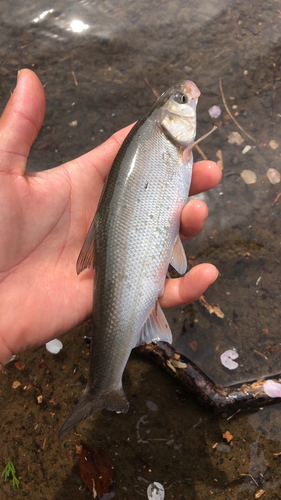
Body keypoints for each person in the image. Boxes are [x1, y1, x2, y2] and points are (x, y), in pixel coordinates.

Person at [0, 69, 222, 369]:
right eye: (183, 100)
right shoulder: (166, 141)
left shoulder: (163, 140)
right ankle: (106, 383)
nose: (189, 100)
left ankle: (107, 378)